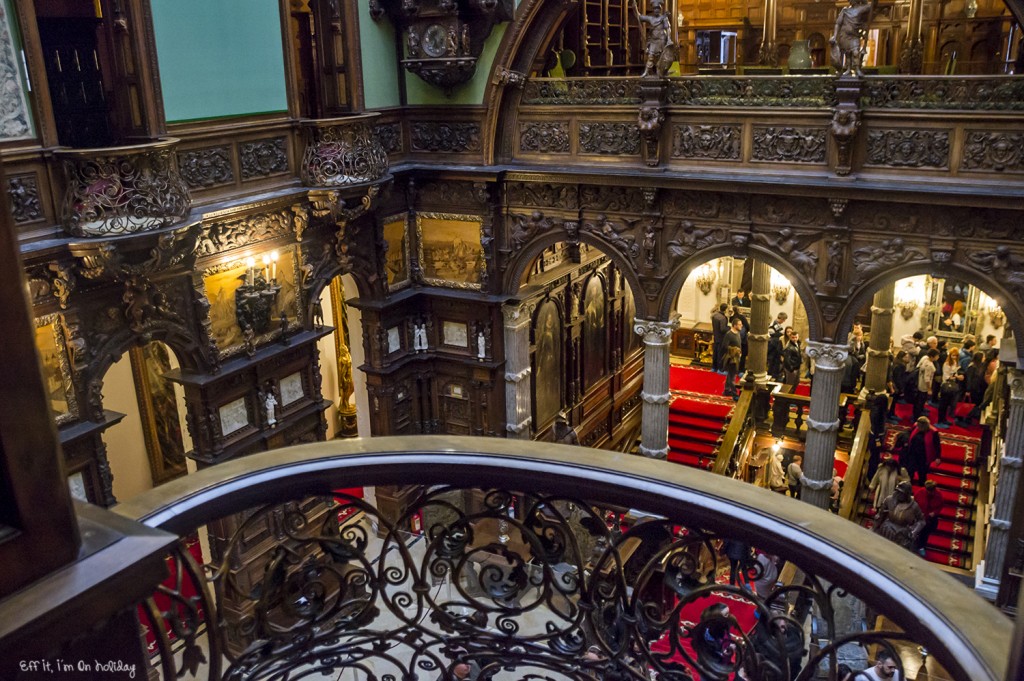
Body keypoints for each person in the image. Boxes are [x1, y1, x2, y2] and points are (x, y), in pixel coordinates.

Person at [874, 480, 925, 551]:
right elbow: (881, 515)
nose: (899, 494)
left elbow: (921, 521)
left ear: (907, 494)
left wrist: (914, 531)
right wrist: (875, 528)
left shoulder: (914, 506)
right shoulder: (889, 500)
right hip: (886, 530)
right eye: (898, 492)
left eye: (902, 493)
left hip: (902, 534)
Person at [830, 0, 877, 76]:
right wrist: (835, 36)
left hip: (854, 35)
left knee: (855, 52)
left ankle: (857, 69)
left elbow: (873, 6)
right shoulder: (845, 10)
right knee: (847, 54)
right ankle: (848, 69)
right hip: (844, 35)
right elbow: (838, 24)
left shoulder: (861, 9)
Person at [631, 0, 674, 78]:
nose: (656, 10)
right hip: (653, 40)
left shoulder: (664, 18)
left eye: (658, 8)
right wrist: (635, 8)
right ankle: (646, 72)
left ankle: (662, 71)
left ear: (660, 9)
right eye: (655, 9)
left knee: (661, 57)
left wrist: (669, 39)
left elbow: (668, 29)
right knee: (651, 56)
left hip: (661, 39)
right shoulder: (650, 18)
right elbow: (639, 17)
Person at [903, 416, 941, 486]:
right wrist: (906, 441)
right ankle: (908, 485)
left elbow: (937, 445)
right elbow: (908, 432)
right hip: (913, 453)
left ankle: (922, 486)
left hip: (924, 456)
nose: (918, 428)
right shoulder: (916, 426)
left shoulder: (933, 432)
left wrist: (938, 457)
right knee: (910, 470)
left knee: (922, 473)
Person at [913, 480, 945, 556]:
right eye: (928, 491)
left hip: (929, 520)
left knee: (924, 534)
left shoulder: (939, 495)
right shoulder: (920, 492)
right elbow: (914, 503)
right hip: (919, 517)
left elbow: (940, 506)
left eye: (931, 491)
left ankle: (921, 547)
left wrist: (934, 513)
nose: (929, 493)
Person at [935, 348, 963, 428]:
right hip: (946, 385)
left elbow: (954, 373)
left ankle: (944, 419)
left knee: (947, 404)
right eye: (953, 355)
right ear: (950, 355)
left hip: (952, 385)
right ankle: (940, 420)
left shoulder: (955, 362)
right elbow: (946, 376)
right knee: (943, 405)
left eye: (956, 356)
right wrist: (955, 377)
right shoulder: (947, 364)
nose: (954, 357)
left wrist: (957, 376)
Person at [912, 349, 938, 420]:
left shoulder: (925, 358)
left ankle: (916, 414)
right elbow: (927, 378)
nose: (937, 357)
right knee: (920, 402)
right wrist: (929, 389)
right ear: (932, 357)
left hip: (920, 382)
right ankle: (917, 416)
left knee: (918, 401)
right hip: (924, 385)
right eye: (937, 356)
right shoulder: (929, 365)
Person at [711, 303, 730, 372]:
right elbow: (723, 329)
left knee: (715, 352)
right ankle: (720, 369)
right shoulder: (722, 318)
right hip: (721, 338)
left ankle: (714, 367)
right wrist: (729, 328)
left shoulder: (715, 315)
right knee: (720, 353)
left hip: (716, 336)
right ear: (725, 310)